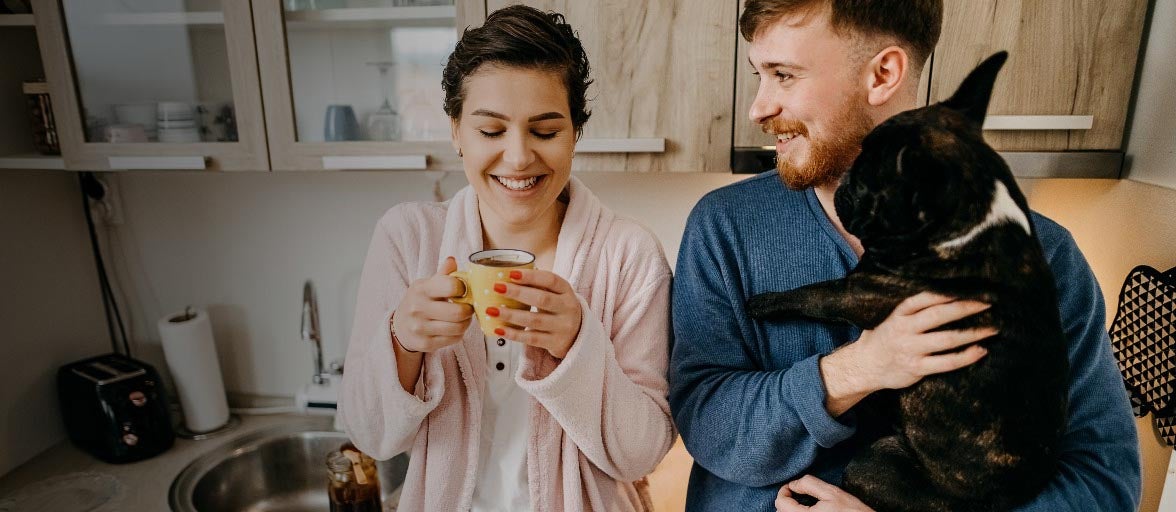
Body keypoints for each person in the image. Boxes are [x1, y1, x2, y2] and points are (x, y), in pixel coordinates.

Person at [667, 1, 1142, 511]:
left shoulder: (1044, 255)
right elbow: (707, 423)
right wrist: (858, 369)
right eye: (760, 74)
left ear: (883, 74)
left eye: (783, 75)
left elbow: (1102, 483)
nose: (759, 107)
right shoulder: (726, 225)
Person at [338, 6, 675, 512]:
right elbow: (371, 436)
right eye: (491, 131)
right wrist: (403, 341)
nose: (518, 158)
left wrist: (577, 345)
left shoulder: (628, 255)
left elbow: (642, 456)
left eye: (545, 131)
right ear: (456, 131)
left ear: (575, 133)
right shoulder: (409, 239)